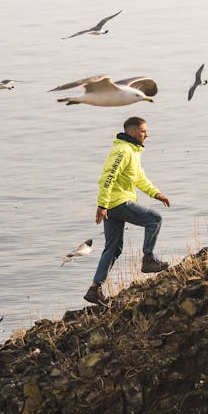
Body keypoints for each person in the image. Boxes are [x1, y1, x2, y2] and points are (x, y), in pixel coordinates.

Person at [84, 116, 171, 307]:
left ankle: (94, 289)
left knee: (114, 247)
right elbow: (107, 177)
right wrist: (102, 205)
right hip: (117, 203)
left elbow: (139, 178)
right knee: (154, 219)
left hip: (112, 205)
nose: (146, 135)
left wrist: (156, 193)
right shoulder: (122, 151)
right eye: (143, 131)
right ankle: (148, 259)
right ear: (132, 132)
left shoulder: (133, 152)